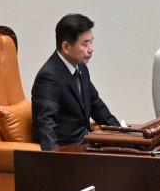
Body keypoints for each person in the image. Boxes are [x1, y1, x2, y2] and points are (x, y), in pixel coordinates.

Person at [32, 14, 120, 151]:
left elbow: (98, 107)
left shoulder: (81, 68)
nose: (91, 48)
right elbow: (46, 125)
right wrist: (53, 162)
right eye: (86, 43)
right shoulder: (49, 77)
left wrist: (125, 135)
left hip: (87, 145)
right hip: (70, 152)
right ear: (66, 46)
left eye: (92, 42)